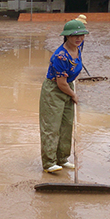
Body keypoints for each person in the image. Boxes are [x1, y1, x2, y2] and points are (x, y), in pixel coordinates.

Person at [39, 20, 88, 173]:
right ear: (66, 36)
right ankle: (49, 163)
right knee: (52, 127)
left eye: (81, 35)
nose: (78, 38)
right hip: (55, 90)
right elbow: (61, 83)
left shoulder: (77, 49)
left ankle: (62, 158)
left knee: (67, 125)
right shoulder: (60, 56)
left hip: (68, 86)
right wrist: (74, 95)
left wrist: (72, 89)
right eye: (74, 36)